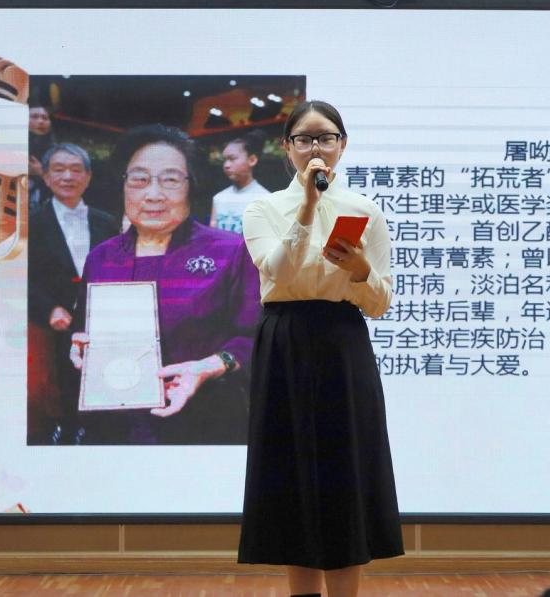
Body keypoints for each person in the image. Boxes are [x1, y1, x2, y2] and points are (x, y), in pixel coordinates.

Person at [237, 101, 404, 597]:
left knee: (343, 468)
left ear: (342, 145)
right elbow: (278, 272)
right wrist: (308, 207)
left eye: (326, 137)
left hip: (341, 340)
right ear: (287, 148)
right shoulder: (262, 209)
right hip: (284, 340)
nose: (316, 147)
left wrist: (359, 270)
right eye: (305, 139)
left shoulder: (365, 212)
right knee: (291, 473)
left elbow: (380, 303)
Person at [69, 124, 261, 445]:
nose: (153, 194)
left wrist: (210, 366)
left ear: (191, 186)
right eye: (139, 179)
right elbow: (81, 330)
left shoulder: (230, 251)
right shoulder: (101, 258)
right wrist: (78, 346)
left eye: (170, 180)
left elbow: (258, 337)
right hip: (114, 428)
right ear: (123, 186)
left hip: (204, 425)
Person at [27, 142, 118, 445]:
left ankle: (96, 435)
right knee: (61, 385)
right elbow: (23, 277)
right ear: (46, 176)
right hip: (55, 323)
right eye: (59, 169)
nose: (68, 176)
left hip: (100, 319)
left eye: (76, 170)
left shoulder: (106, 221)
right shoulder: (31, 223)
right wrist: (49, 308)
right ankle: (64, 433)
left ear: (88, 177)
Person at [210, 130, 270, 233]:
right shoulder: (219, 198)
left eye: (232, 159)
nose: (226, 165)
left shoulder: (265, 199)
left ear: (252, 160)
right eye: (224, 160)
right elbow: (212, 236)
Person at [28, 103, 55, 211]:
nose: (40, 121)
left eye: (45, 118)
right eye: (34, 117)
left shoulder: (57, 153)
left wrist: (41, 173)